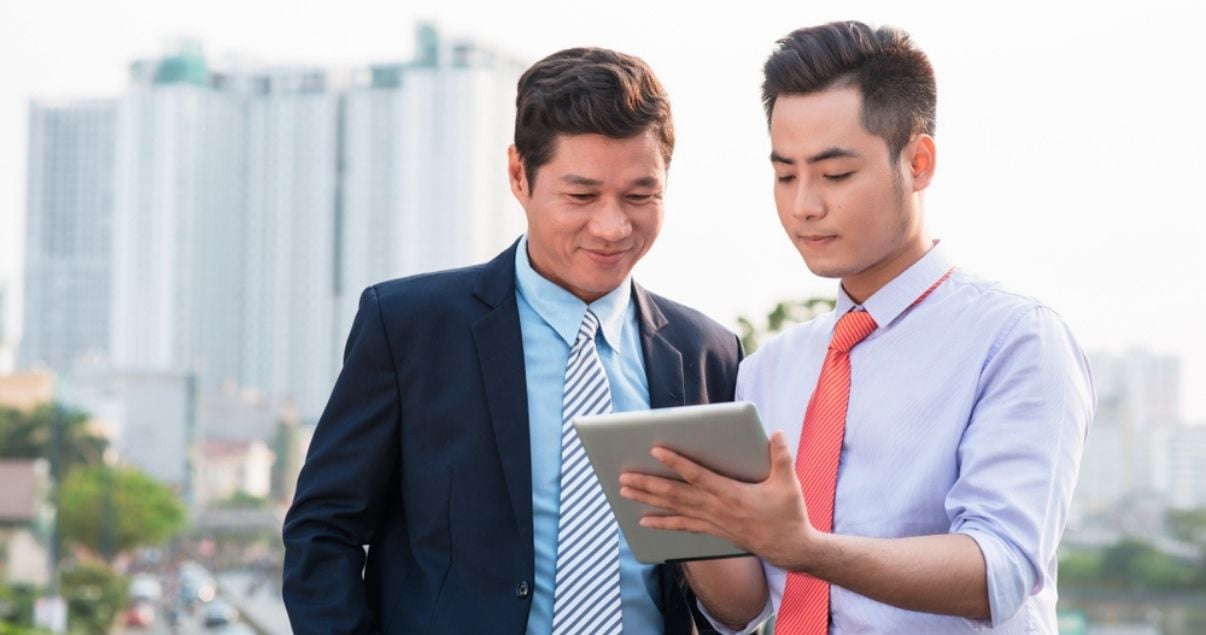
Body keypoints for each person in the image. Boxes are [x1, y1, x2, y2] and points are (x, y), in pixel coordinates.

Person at [619, 21, 1095, 633]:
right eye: (785, 174)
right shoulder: (772, 366)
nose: (804, 206)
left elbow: (999, 567)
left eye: (835, 175)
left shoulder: (1016, 339)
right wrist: (693, 517)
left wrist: (808, 549)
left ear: (918, 162)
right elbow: (743, 609)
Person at [281, 46, 742, 634]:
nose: (612, 226)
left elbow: (729, 582)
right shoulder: (406, 328)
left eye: (639, 195)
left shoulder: (709, 353)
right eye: (581, 196)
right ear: (519, 174)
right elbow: (323, 531)